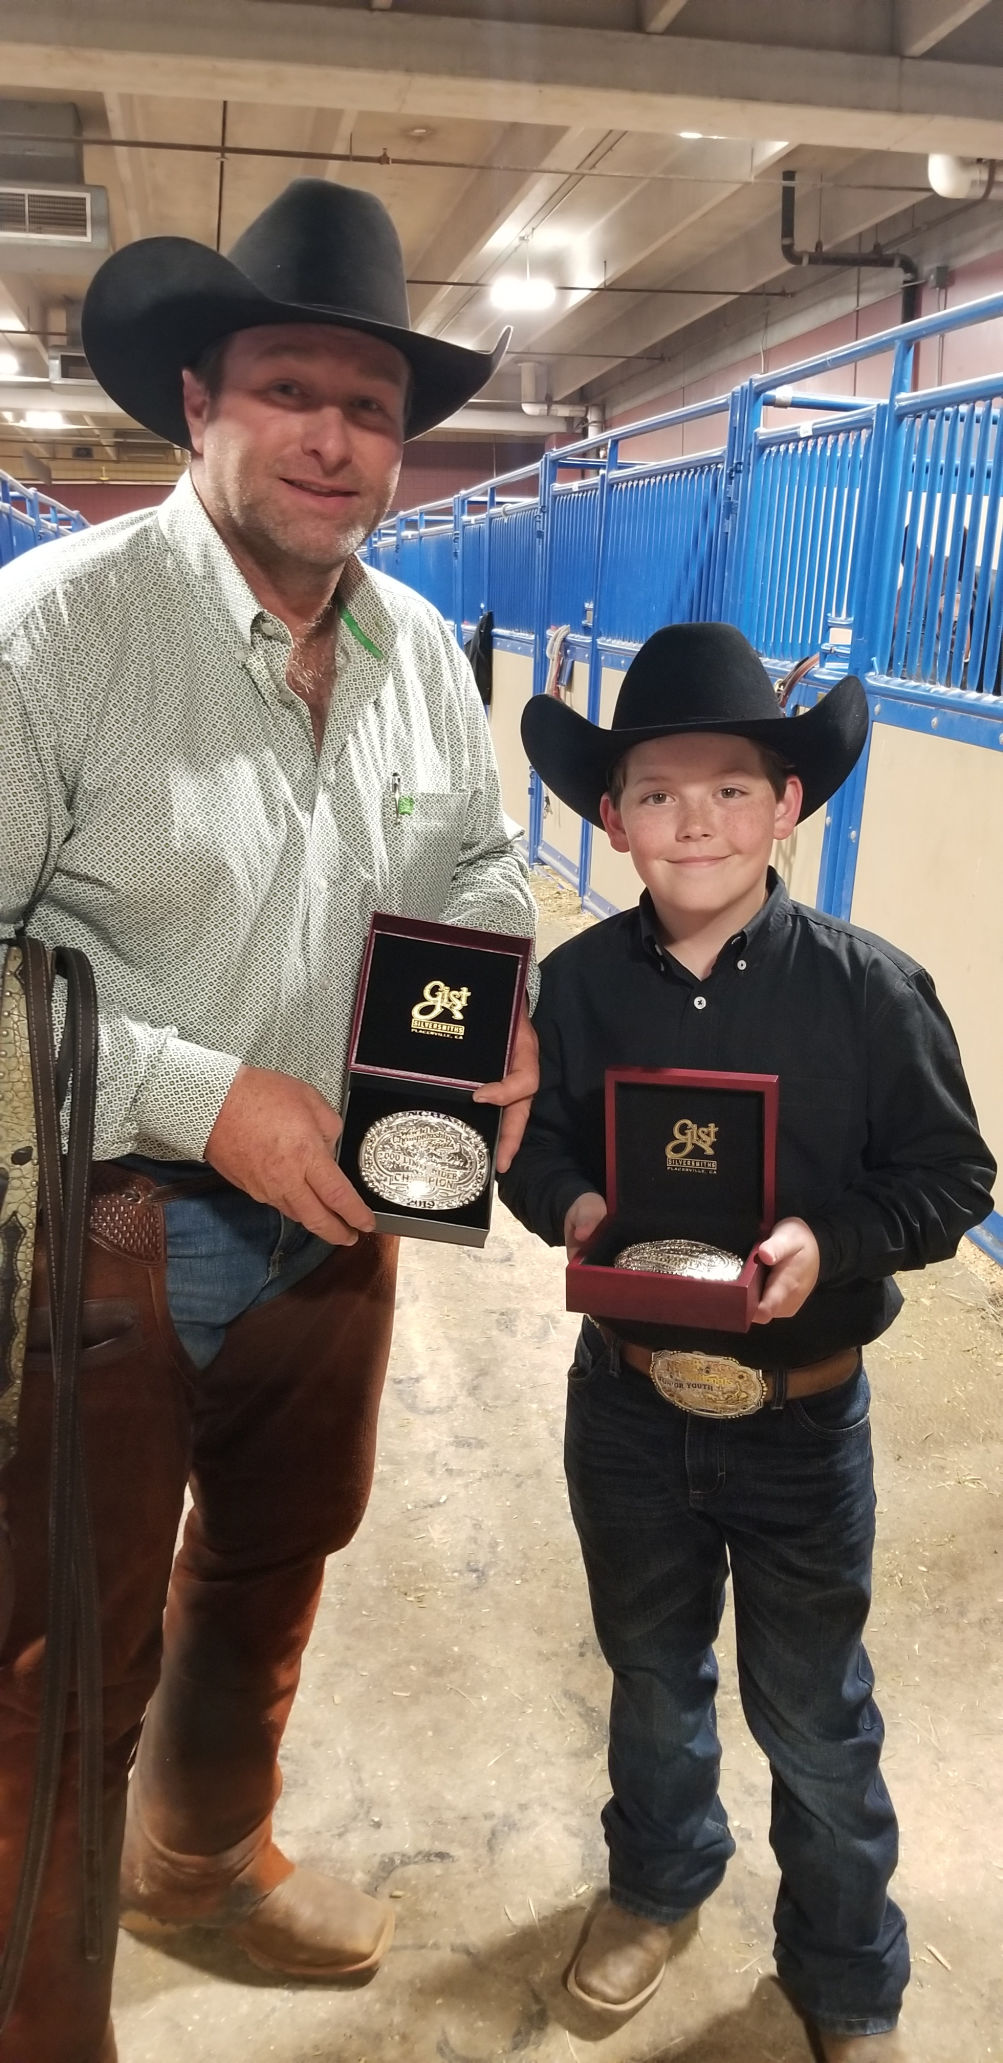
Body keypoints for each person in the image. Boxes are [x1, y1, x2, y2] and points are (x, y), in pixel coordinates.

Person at [0, 178, 538, 2063]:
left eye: (374, 406)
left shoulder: (411, 648)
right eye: (292, 390)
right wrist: (200, 1094)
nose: (336, 438)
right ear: (199, 404)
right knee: (55, 1646)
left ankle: (201, 1862)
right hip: (94, 1229)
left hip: (344, 1218)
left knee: (273, 1552)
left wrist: (490, 1013)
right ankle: (38, 2009)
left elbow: (471, 869)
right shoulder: (49, 639)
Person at [499, 621, 995, 2063]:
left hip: (802, 1416)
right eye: (657, 791)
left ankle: (846, 1971)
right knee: (651, 1673)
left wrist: (829, 1245)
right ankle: (659, 1884)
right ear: (612, 817)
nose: (695, 819)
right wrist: (578, 1202)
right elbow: (534, 1158)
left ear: (790, 805)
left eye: (733, 786)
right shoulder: (578, 989)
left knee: (817, 1713)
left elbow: (953, 1180)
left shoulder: (869, 990)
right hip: (635, 1407)